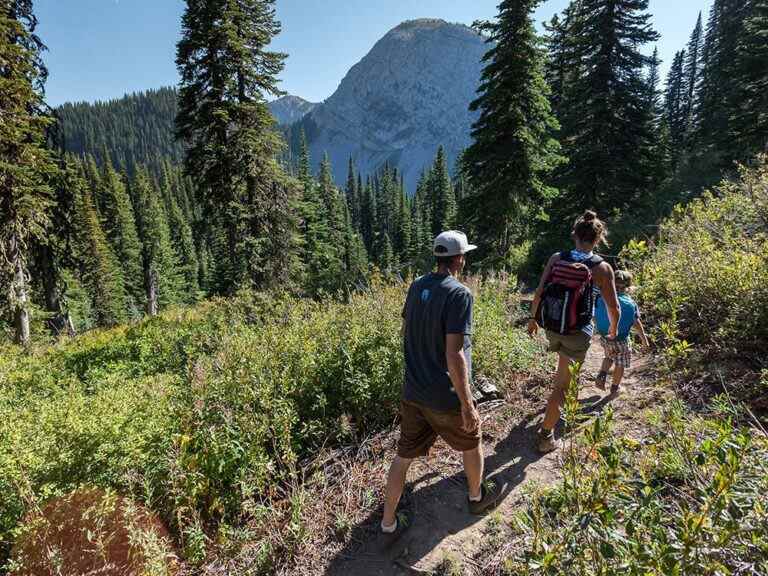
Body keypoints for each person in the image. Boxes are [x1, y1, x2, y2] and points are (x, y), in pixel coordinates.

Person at [381, 231, 502, 539]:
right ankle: (477, 498)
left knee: (403, 456)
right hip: (444, 395)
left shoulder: (417, 285)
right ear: (459, 259)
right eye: (465, 256)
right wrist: (467, 403)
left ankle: (388, 523)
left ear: (438, 257)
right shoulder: (459, 294)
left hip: (414, 391)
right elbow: (455, 353)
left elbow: (406, 331)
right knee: (472, 442)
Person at [527, 211, 621, 453]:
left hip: (552, 326)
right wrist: (612, 331)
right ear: (598, 239)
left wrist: (533, 319)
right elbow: (614, 307)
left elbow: (539, 291)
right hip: (576, 332)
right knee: (563, 385)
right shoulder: (602, 268)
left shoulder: (557, 258)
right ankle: (546, 435)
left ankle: (561, 411)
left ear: (575, 235)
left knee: (565, 372)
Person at [594, 270, 649, 395]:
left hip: (605, 337)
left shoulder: (601, 297)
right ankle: (615, 388)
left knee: (609, 356)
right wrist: (644, 340)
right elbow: (636, 323)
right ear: (627, 287)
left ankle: (602, 374)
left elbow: (595, 316)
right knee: (620, 363)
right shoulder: (630, 303)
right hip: (621, 339)